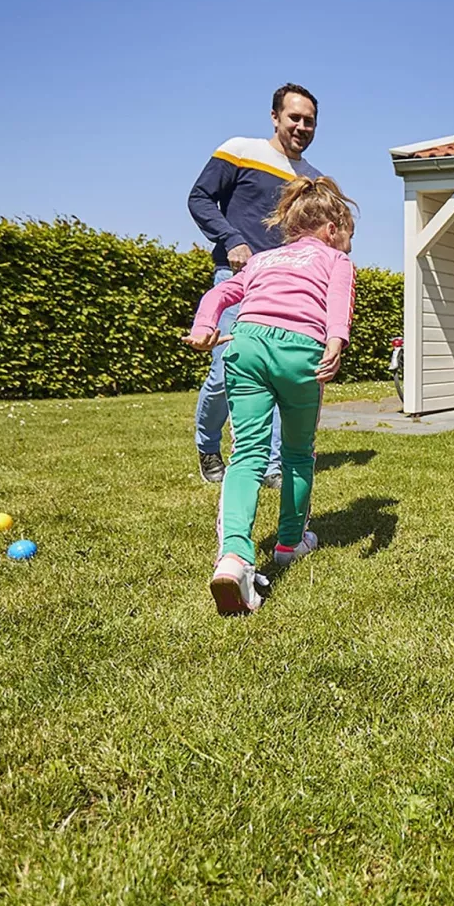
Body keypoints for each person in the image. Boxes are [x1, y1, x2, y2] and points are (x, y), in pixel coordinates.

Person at [184, 176, 357, 615]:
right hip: (301, 353)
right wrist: (336, 341)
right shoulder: (335, 260)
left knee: (246, 456)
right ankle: (289, 542)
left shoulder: (263, 259)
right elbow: (338, 303)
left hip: (246, 345)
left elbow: (222, 292)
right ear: (333, 228)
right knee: (298, 454)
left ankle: (234, 557)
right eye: (349, 236)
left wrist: (206, 325)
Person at [187, 83, 323, 487]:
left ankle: (272, 465)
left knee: (283, 372)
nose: (301, 126)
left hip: (285, 288)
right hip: (238, 278)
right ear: (275, 116)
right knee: (225, 370)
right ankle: (208, 445)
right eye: (294, 117)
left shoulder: (313, 178)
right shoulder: (240, 151)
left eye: (309, 121)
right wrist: (232, 239)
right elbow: (200, 198)